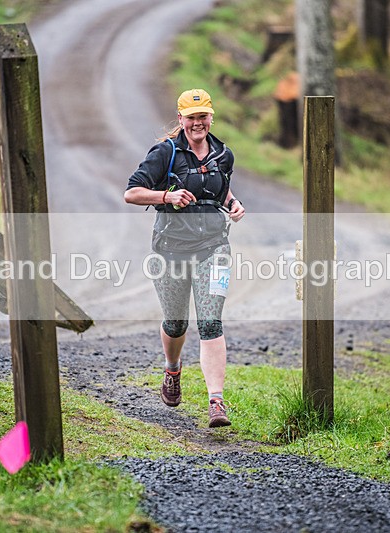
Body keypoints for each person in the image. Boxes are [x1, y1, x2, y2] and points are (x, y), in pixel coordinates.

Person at [124, 88, 245, 427]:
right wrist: (167, 195)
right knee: (176, 323)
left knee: (210, 322)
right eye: (191, 117)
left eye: (203, 116)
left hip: (214, 248)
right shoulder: (165, 153)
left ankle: (216, 402)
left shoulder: (223, 154)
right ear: (180, 119)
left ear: (211, 117)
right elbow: (131, 192)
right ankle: (172, 370)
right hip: (171, 250)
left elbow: (221, 190)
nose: (197, 123)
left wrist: (233, 204)